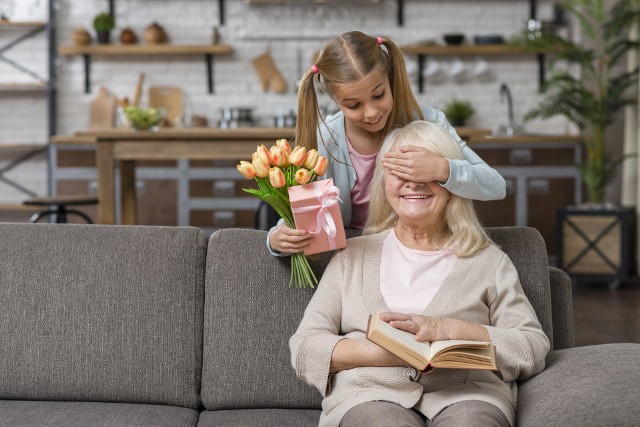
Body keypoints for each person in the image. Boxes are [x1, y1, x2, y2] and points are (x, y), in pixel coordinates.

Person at [289, 121, 549, 427]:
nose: (413, 183)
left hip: (468, 396)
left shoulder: (489, 261)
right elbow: (305, 347)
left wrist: (446, 330)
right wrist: (392, 353)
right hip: (368, 396)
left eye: (426, 173)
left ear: (452, 183)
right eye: (400, 171)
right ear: (384, 183)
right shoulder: (352, 256)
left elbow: (531, 347)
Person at [268, 31, 506, 255]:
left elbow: (496, 186)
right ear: (335, 100)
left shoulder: (429, 121)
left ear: (390, 79)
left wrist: (443, 169)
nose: (371, 113)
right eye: (353, 105)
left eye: (379, 95)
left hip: (423, 247)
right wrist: (276, 237)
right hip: (360, 256)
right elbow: (305, 217)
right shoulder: (325, 140)